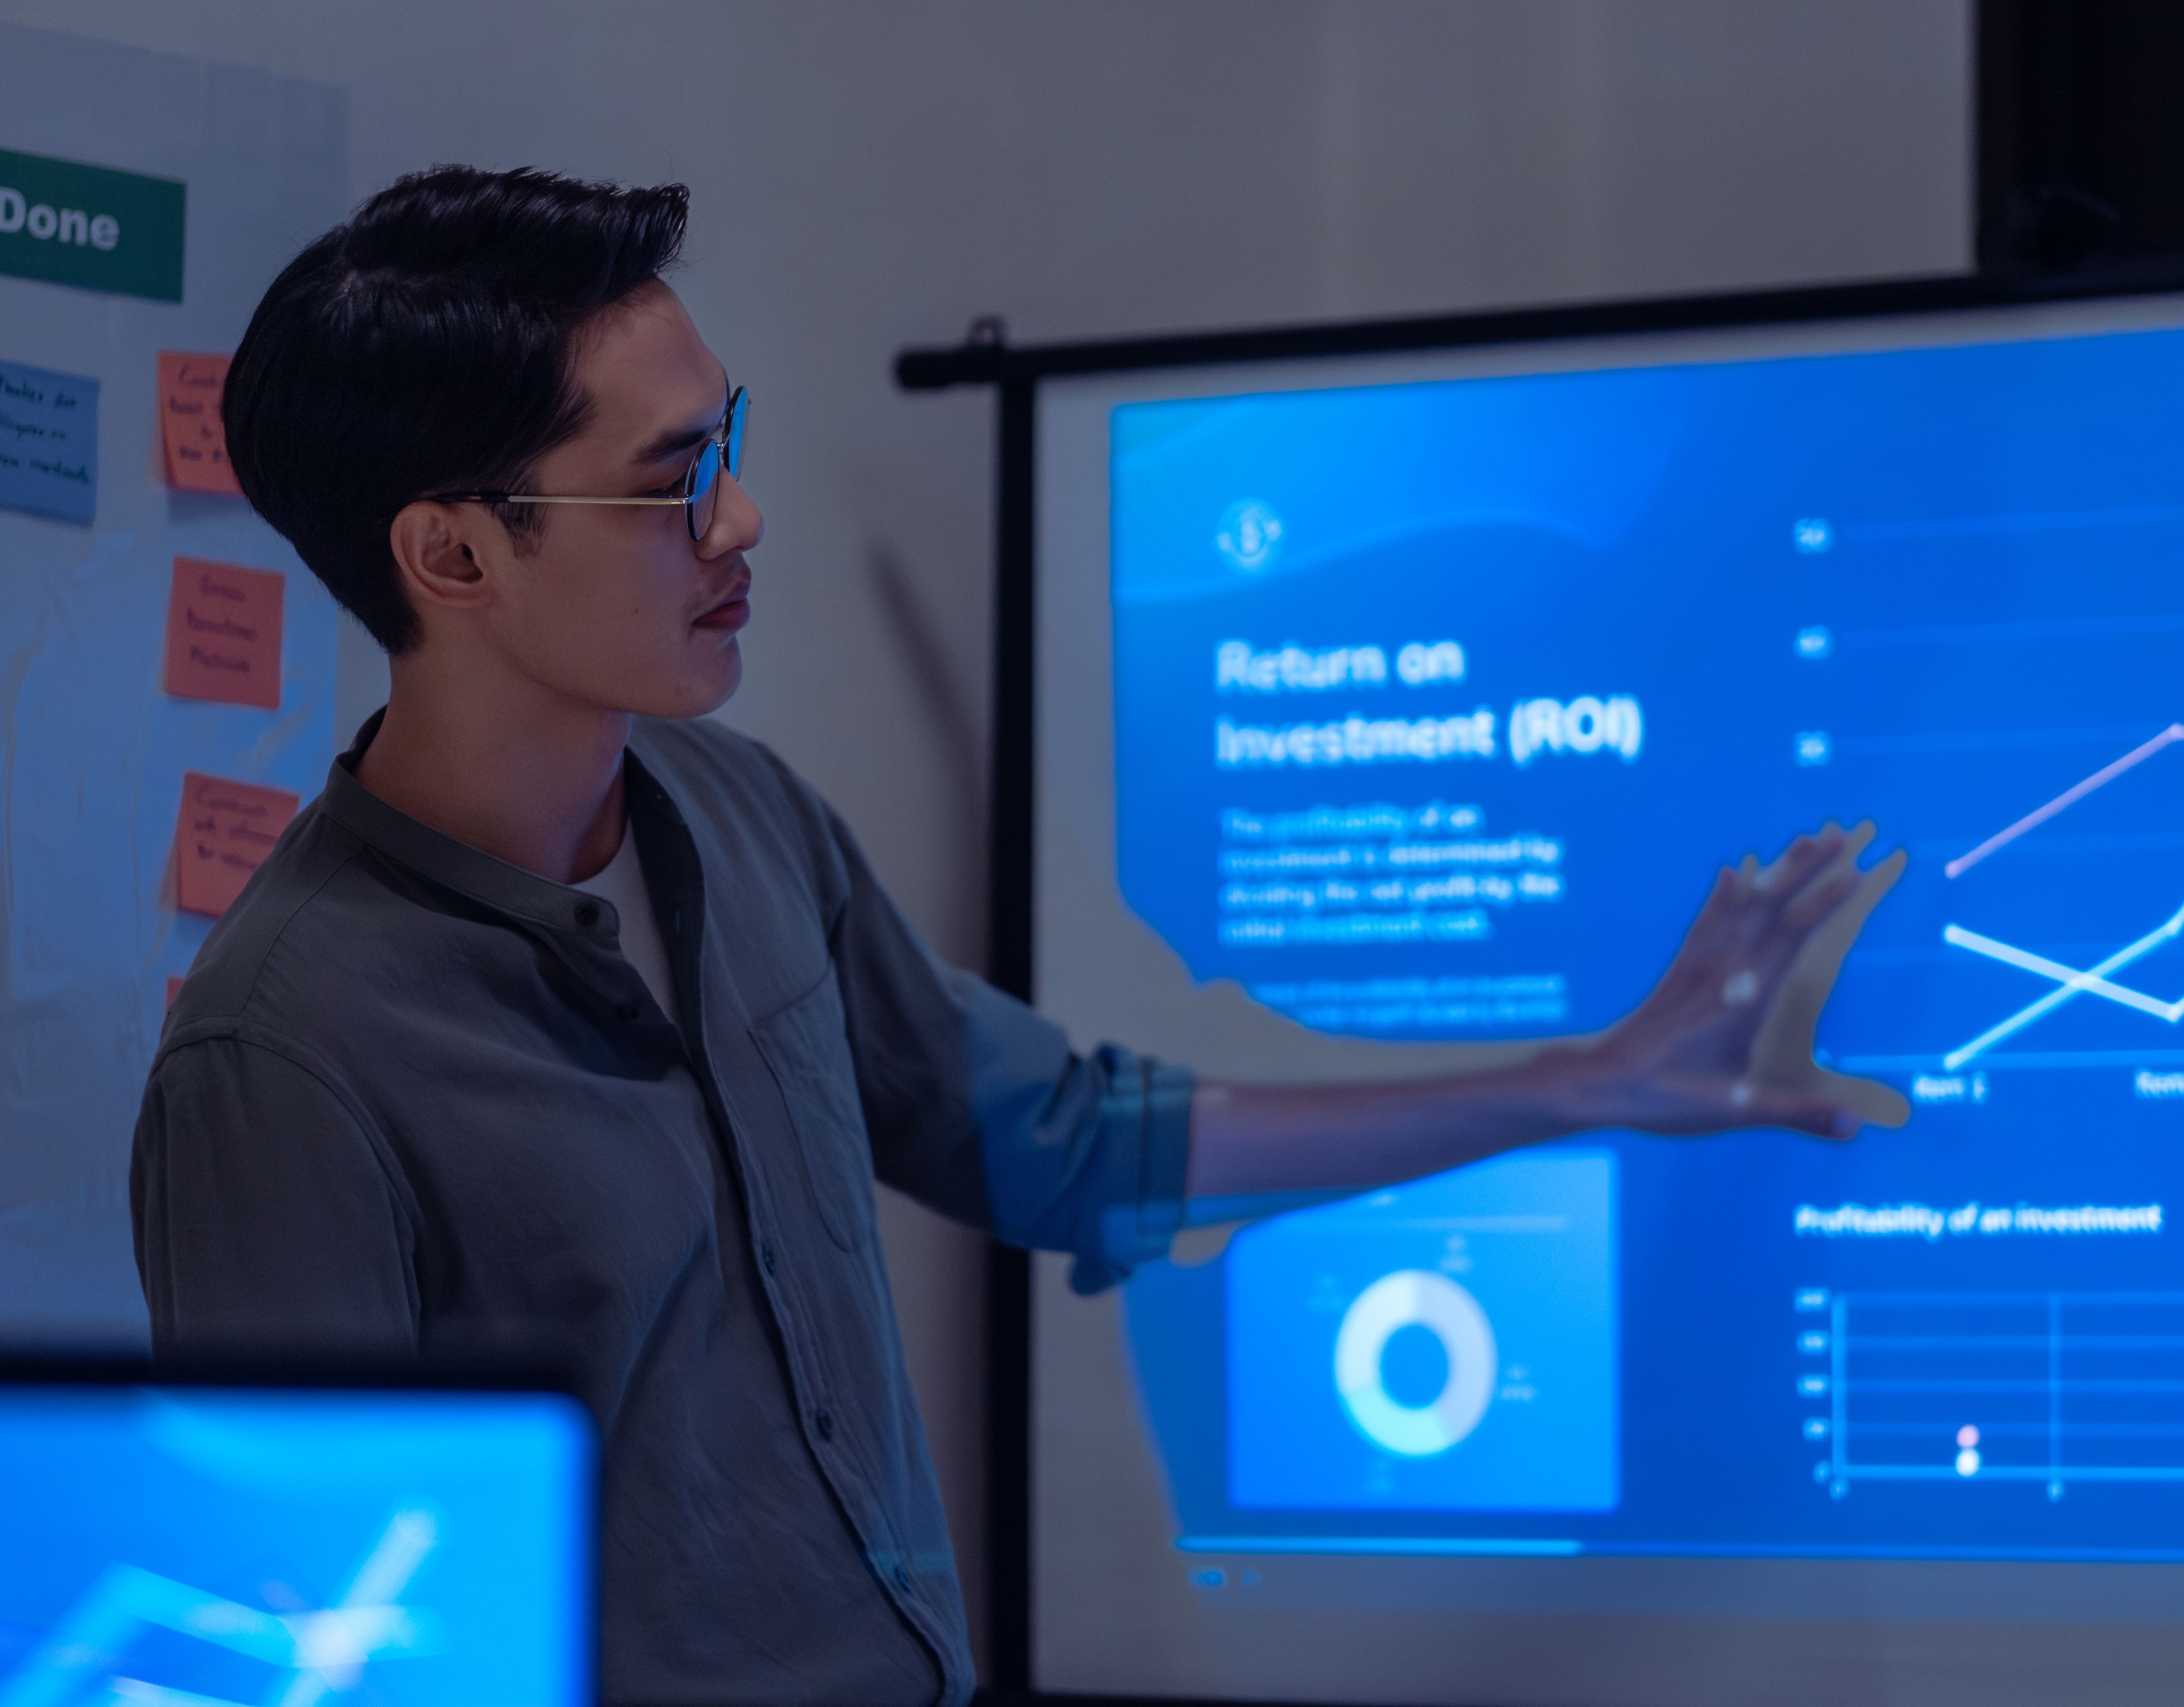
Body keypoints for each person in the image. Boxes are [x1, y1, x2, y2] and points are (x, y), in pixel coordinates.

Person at [133, 166, 1909, 1707]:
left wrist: (1595, 1081)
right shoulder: (285, 1053)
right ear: (452, 557)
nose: (742, 519)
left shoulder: (742, 821)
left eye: (728, 446)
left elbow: (1071, 1141)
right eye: (674, 476)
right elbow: (327, 1636)